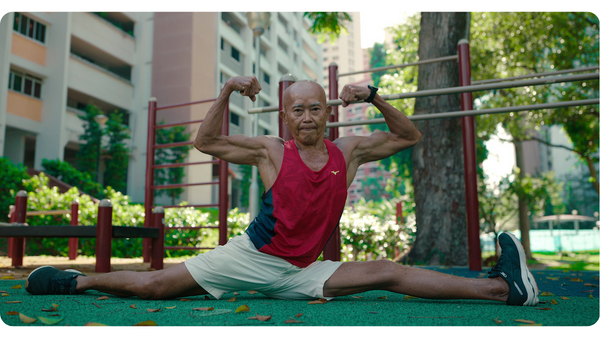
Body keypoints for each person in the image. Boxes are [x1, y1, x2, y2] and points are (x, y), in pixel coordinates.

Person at [25, 76, 539, 306]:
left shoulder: (349, 151)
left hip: (304, 271)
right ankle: (79, 284)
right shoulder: (271, 150)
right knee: (157, 285)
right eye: (299, 109)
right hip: (251, 258)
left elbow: (410, 136)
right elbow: (205, 141)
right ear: (286, 117)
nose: (308, 116)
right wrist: (226, 91)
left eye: (317, 107)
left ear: (327, 112)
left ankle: (502, 288)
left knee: (390, 272)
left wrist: (376, 96)